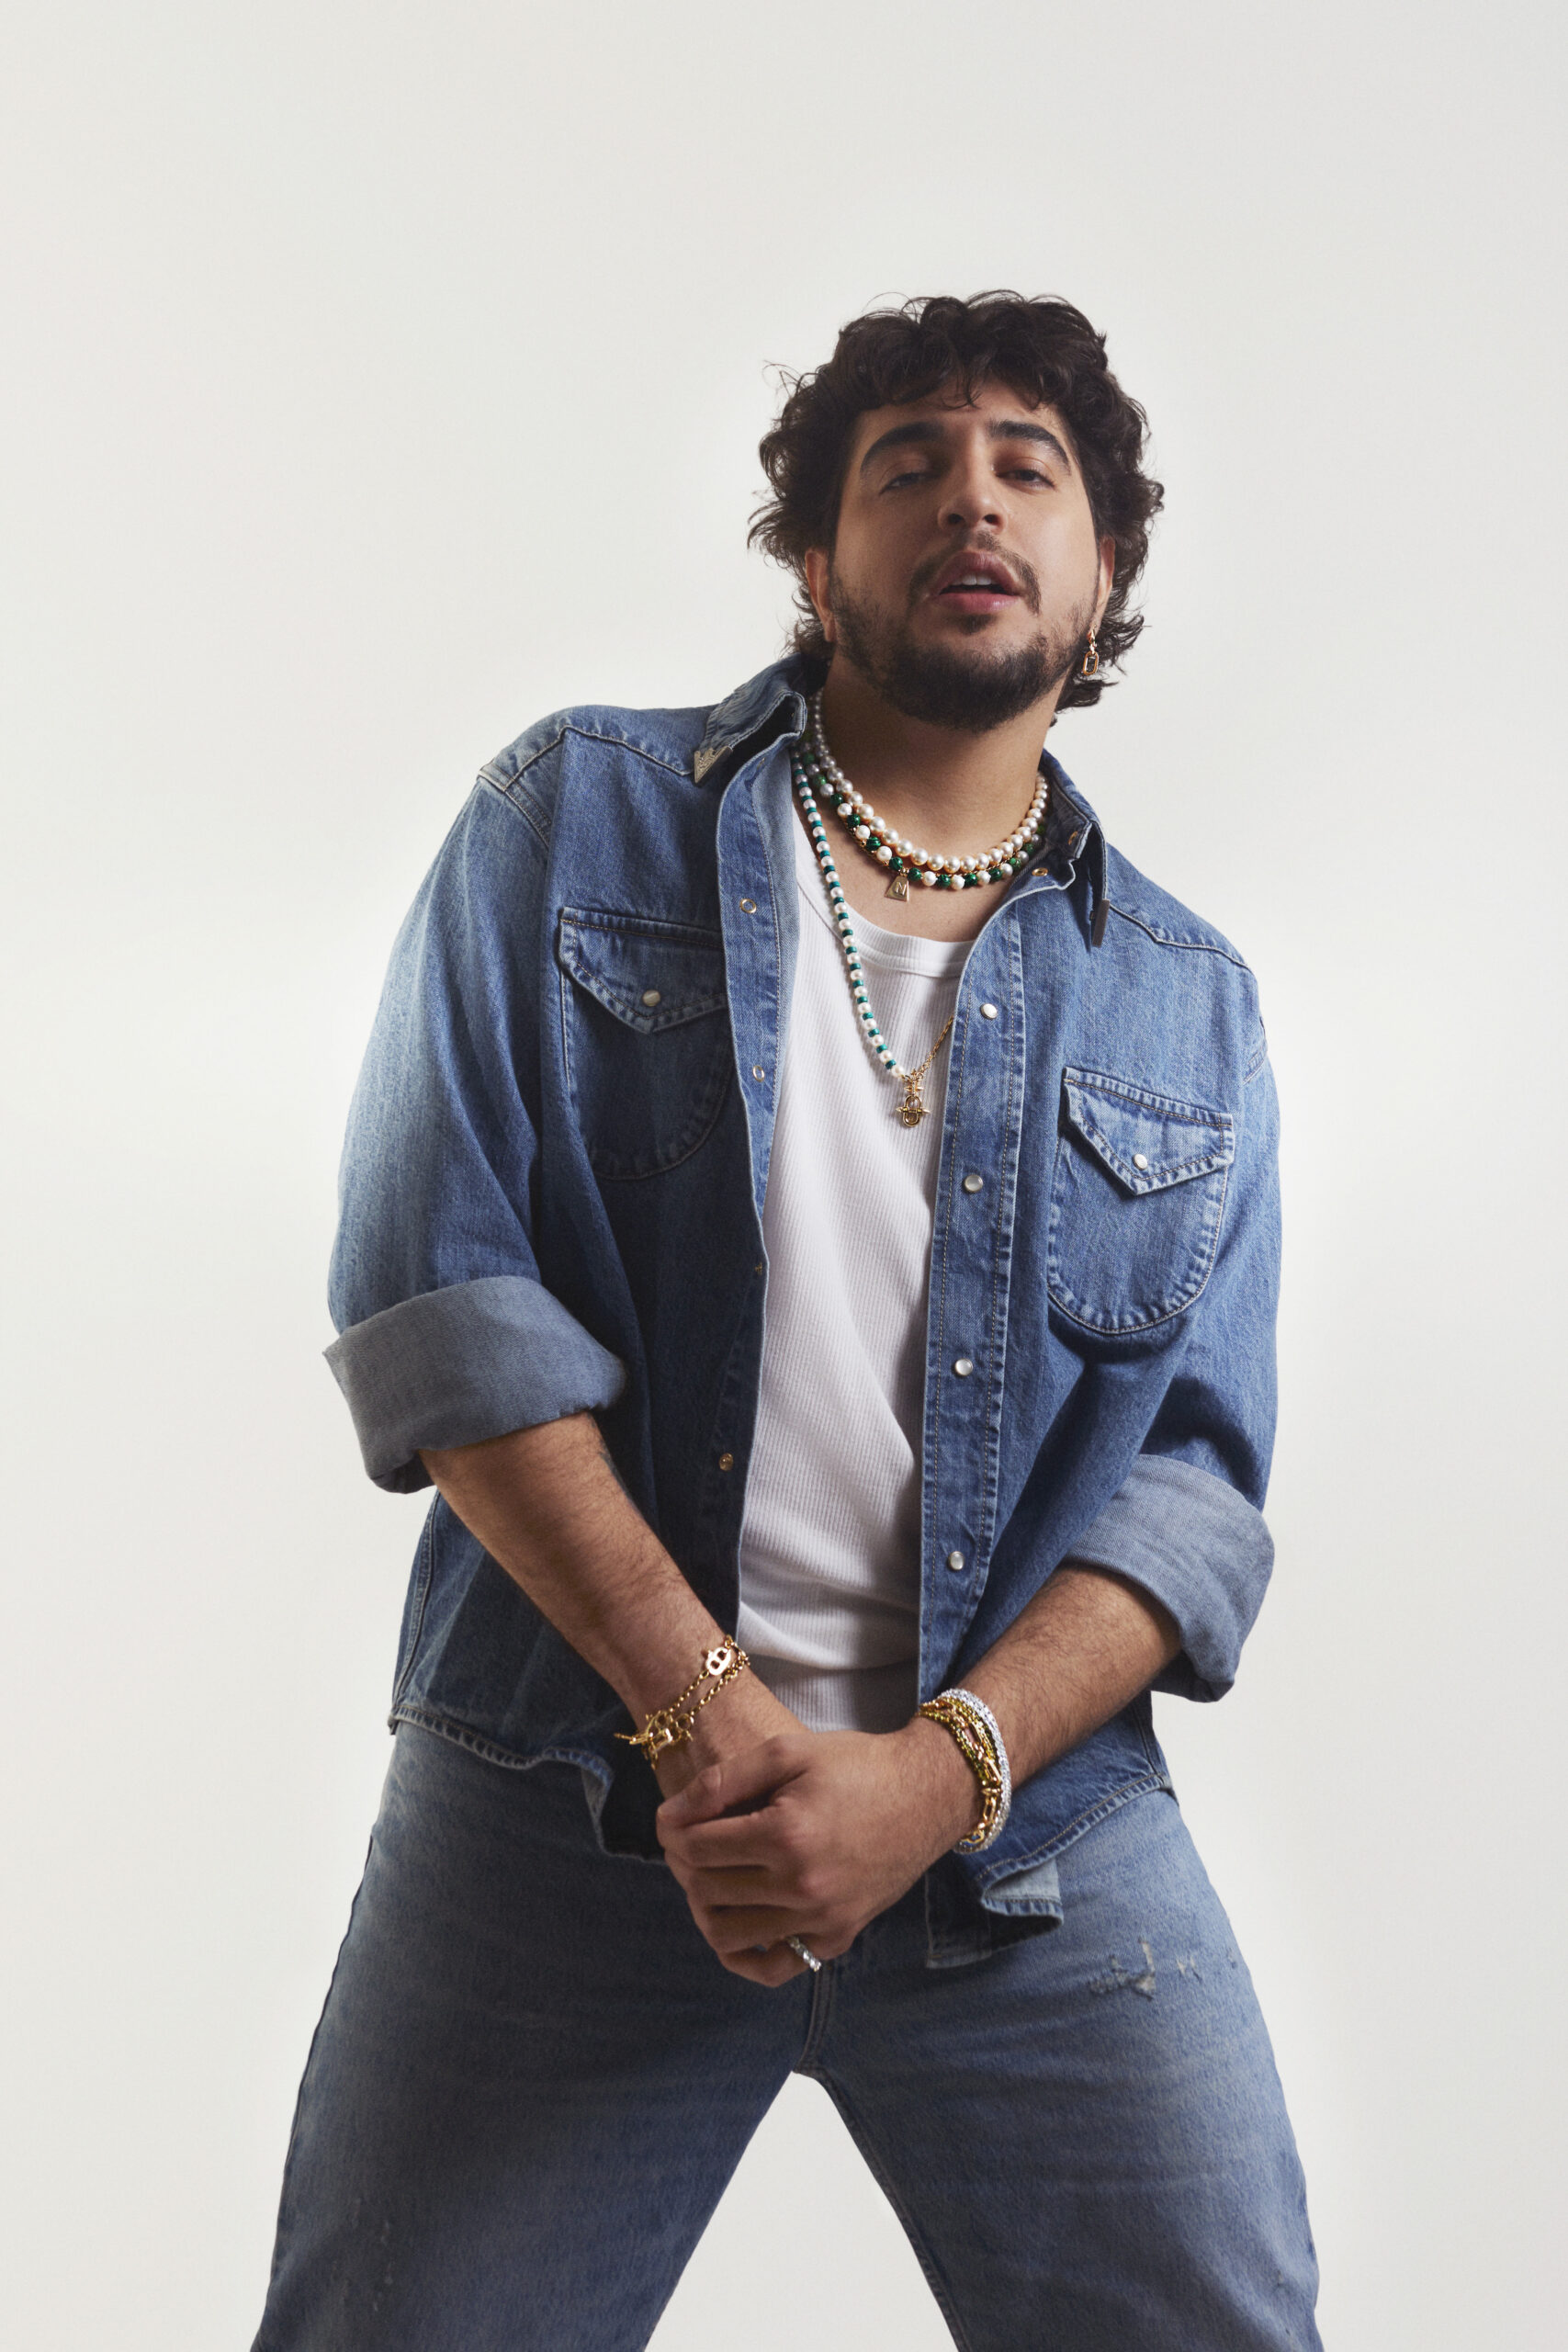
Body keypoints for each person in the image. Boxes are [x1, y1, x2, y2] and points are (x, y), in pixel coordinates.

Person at [254, 292, 1320, 2351]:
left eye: (1028, 468)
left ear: (1102, 571)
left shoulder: (1189, 1000)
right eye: (907, 464)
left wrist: (933, 1779)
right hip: (574, 1808)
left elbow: (1193, 1493)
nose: (972, 499)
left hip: (1021, 1843)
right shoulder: (571, 820)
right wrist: (708, 1720)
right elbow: (442, 1300)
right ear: (816, 563)